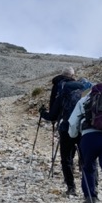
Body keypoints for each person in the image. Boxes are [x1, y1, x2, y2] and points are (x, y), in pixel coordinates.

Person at [39, 68, 91, 196]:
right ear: (74, 76)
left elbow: (52, 115)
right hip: (83, 129)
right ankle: (91, 189)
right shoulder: (85, 92)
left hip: (66, 128)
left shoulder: (61, 89)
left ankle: (71, 187)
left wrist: (42, 113)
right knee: (86, 159)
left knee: (66, 159)